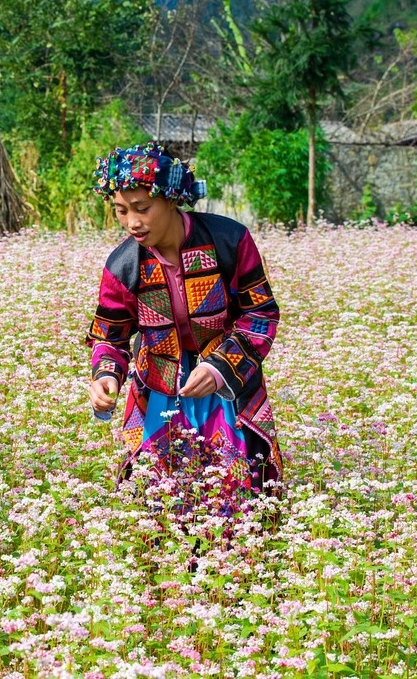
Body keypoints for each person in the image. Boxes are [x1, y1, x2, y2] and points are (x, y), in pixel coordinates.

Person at [85, 144, 281, 507]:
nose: (132, 222)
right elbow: (110, 337)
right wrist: (106, 375)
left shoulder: (229, 241)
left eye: (143, 208)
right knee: (159, 498)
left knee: (238, 492)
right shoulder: (122, 266)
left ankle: (233, 562)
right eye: (121, 211)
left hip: (228, 387)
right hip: (160, 386)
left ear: (172, 199)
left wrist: (220, 366)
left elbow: (260, 314)